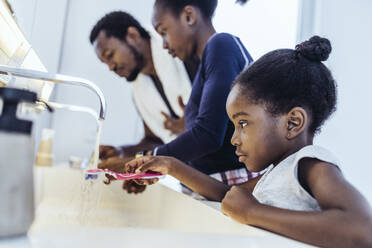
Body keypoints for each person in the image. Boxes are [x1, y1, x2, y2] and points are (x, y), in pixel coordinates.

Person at [126, 36, 372, 247]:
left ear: (293, 122)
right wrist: (171, 166)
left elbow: (361, 229)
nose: (233, 139)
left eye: (242, 123)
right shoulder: (276, 173)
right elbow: (229, 196)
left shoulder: (311, 165)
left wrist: (253, 212)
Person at [99, 0, 257, 193]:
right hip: (206, 184)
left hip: (233, 181)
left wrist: (147, 159)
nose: (164, 45)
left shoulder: (221, 45)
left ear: (189, 17)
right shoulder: (207, 65)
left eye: (164, 31)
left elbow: (207, 135)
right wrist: (146, 165)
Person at [90, 11, 198, 193]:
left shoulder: (185, 57)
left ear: (132, 35)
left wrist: (194, 124)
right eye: (105, 62)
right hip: (192, 182)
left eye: (110, 54)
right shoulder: (139, 91)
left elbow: (211, 122)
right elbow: (154, 141)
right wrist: (122, 152)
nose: (110, 67)